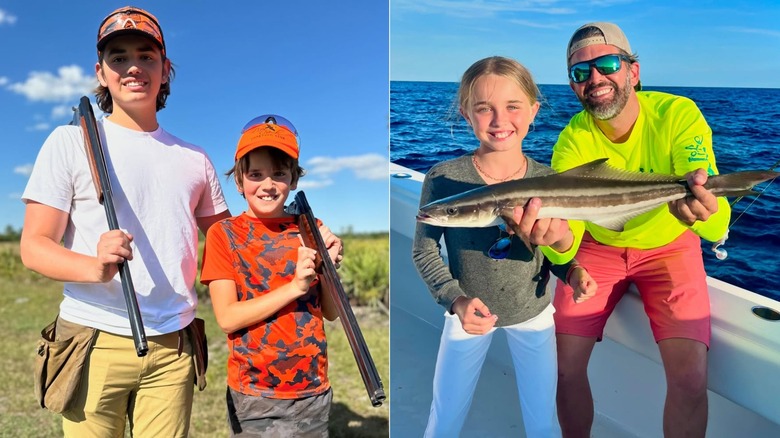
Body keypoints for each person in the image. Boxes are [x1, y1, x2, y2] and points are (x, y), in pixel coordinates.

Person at [19, 6, 230, 436]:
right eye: (118, 57)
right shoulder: (70, 141)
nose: (133, 67)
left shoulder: (195, 158)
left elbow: (232, 241)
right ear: (101, 72)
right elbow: (34, 245)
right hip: (92, 340)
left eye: (146, 56)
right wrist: (92, 267)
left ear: (165, 69)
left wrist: (302, 235)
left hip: (175, 344)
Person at [550, 22, 730, 437]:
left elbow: (716, 216)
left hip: (670, 245)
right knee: (562, 368)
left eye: (607, 63)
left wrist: (703, 211)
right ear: (574, 86)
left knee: (689, 379)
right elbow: (568, 237)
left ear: (633, 71)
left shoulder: (678, 114)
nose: (595, 78)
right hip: (599, 245)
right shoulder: (571, 141)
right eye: (580, 72)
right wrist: (558, 247)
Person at [411, 56, 597, 438]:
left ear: (533, 112)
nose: (499, 120)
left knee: (542, 419)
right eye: (484, 108)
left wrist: (573, 271)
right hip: (467, 313)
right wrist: (455, 300)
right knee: (444, 416)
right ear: (466, 113)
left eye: (513, 107)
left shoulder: (549, 180)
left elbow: (551, 249)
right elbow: (424, 250)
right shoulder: (444, 178)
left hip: (533, 311)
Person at [199, 115, 344, 437]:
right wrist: (295, 286)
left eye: (279, 173)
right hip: (254, 392)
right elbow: (226, 318)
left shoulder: (310, 226)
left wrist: (330, 268)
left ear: (293, 179)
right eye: (255, 174)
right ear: (239, 181)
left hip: (312, 387)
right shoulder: (224, 235)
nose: (268, 184)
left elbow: (332, 312)